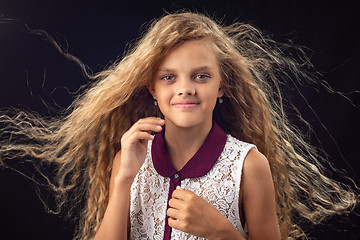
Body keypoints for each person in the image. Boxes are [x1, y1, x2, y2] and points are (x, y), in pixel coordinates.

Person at [0, 12, 358, 240]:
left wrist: (223, 233)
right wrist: (123, 179)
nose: (185, 87)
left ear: (222, 87)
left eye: (201, 76)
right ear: (152, 89)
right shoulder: (128, 162)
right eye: (169, 77)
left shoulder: (249, 165)